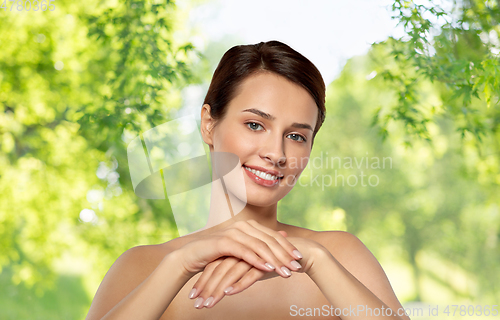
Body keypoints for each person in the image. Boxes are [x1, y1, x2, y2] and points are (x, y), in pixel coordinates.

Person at [85, 40, 411, 320]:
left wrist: (312, 260)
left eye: (296, 135)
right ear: (209, 125)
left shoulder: (338, 255)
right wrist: (179, 266)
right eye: (255, 125)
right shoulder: (145, 265)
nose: (276, 153)